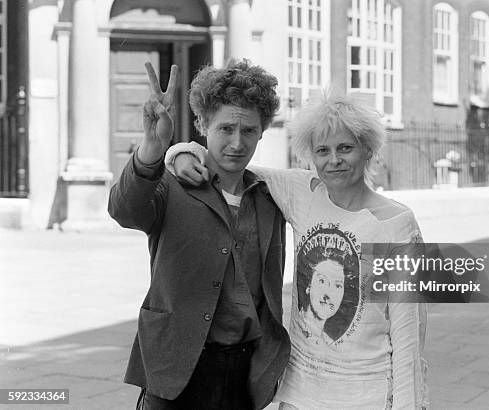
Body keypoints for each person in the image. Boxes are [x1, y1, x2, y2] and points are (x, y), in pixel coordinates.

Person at [166, 92, 429, 409]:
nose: (334, 160)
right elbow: (230, 163)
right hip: (300, 392)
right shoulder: (301, 193)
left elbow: (408, 334)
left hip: (366, 394)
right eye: (323, 151)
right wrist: (182, 152)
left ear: (368, 149)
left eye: (345, 148)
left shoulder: (397, 223)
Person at [107, 60, 290, 410]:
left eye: (249, 130)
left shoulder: (270, 198)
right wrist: (155, 148)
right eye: (225, 129)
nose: (237, 143)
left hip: (245, 372)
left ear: (263, 131)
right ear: (204, 125)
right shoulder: (172, 183)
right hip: (174, 367)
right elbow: (124, 210)